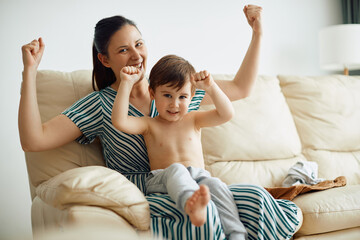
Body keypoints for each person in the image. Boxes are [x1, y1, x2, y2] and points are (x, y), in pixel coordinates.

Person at [19, 5, 300, 239]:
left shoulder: (173, 90)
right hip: (149, 187)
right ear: (104, 59)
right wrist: (30, 72)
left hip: (195, 181)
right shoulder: (100, 104)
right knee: (201, 209)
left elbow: (241, 88)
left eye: (139, 44)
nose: (136, 55)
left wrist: (257, 32)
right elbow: (34, 140)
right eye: (123, 50)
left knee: (255, 199)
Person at [112, 54, 247, 239]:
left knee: (216, 184)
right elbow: (120, 121)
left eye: (182, 97)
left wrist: (211, 87)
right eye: (167, 95)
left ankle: (237, 233)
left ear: (192, 96)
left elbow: (226, 114)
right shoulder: (149, 124)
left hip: (199, 178)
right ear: (152, 94)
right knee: (177, 169)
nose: (174, 104)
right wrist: (126, 83)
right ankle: (191, 206)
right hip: (163, 179)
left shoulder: (193, 119)